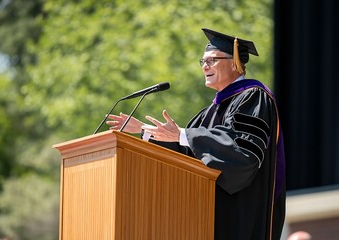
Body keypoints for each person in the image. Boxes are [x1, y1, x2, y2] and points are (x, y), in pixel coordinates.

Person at [107, 28, 286, 240]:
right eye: (202, 62)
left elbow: (241, 152)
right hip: (203, 217)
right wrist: (144, 131)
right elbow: (188, 154)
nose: (204, 67)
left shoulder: (254, 97)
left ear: (234, 63)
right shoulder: (209, 111)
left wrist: (183, 134)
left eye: (211, 61)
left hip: (236, 213)